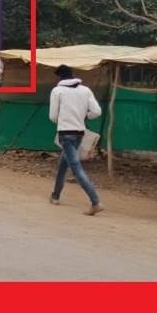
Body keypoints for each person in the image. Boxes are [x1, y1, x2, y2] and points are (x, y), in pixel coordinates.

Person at [48, 64, 105, 216]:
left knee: (76, 168)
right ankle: (55, 195)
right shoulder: (85, 90)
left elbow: (53, 116)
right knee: (63, 164)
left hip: (65, 133)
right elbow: (96, 112)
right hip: (80, 132)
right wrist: (84, 116)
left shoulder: (57, 91)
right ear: (72, 75)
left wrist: (63, 120)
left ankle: (95, 202)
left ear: (59, 77)